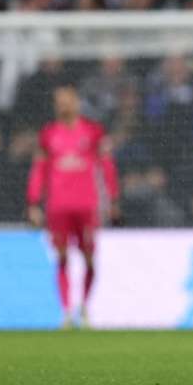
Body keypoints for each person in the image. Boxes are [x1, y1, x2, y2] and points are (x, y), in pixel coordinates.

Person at [26, 83, 121, 329]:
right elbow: (39, 170)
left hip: (86, 205)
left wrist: (112, 198)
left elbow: (107, 166)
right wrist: (34, 202)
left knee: (89, 259)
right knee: (62, 258)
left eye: (67, 100)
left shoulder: (93, 132)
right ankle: (67, 311)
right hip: (58, 206)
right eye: (58, 101)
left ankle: (85, 306)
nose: (63, 105)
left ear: (76, 102)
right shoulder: (48, 134)